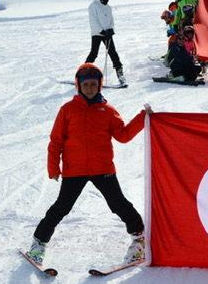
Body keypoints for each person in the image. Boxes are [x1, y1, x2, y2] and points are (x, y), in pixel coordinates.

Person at [26, 63, 150, 265]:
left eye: (94, 84)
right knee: (61, 207)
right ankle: (38, 243)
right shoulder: (67, 110)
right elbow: (56, 141)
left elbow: (123, 135)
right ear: (79, 86)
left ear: (100, 85)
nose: (90, 88)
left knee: (118, 204)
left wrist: (142, 118)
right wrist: (53, 167)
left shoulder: (107, 111)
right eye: (86, 85)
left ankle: (139, 238)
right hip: (74, 170)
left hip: (103, 169)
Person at [86, 0, 126, 86]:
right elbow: (93, 20)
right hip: (97, 33)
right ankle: (83, 73)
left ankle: (120, 75)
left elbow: (111, 20)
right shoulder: (93, 5)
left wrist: (111, 29)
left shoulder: (108, 8)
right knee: (94, 53)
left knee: (113, 53)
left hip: (107, 33)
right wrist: (101, 30)